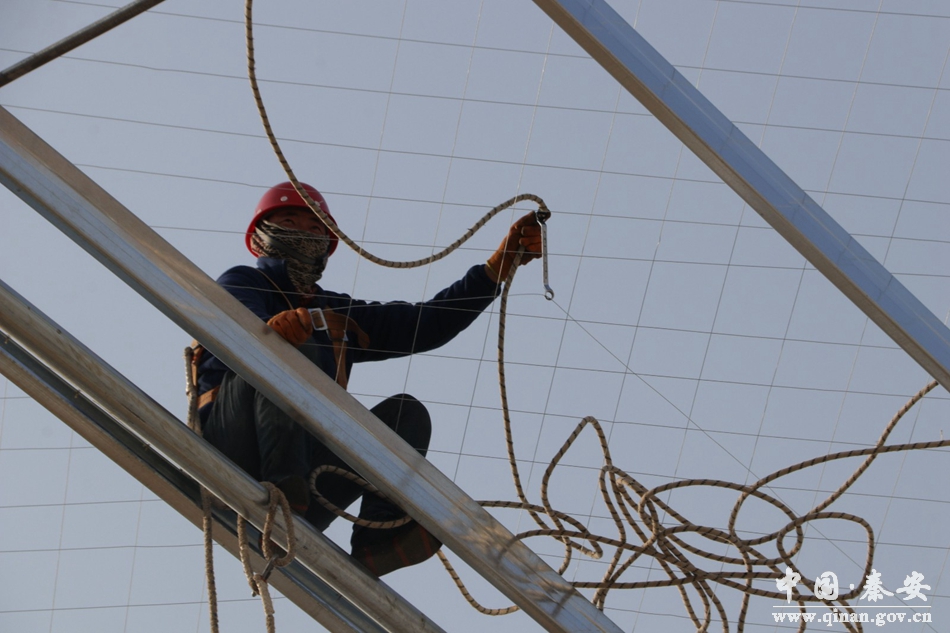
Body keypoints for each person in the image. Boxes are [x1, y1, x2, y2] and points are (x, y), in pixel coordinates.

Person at [196, 181, 541, 576]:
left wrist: (497, 268)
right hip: (234, 447)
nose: (304, 233)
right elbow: (241, 325)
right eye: (289, 221)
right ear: (262, 236)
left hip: (307, 481)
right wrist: (272, 329)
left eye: (315, 228)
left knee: (405, 415)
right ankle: (283, 488)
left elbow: (425, 324)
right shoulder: (242, 281)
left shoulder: (334, 313)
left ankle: (376, 540)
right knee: (289, 347)